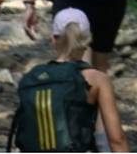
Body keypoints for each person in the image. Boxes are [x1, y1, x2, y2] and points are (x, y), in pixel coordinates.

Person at [10, 8, 128, 153]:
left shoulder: (32, 77)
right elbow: (117, 139)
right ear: (87, 40)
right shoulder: (97, 79)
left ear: (53, 39)